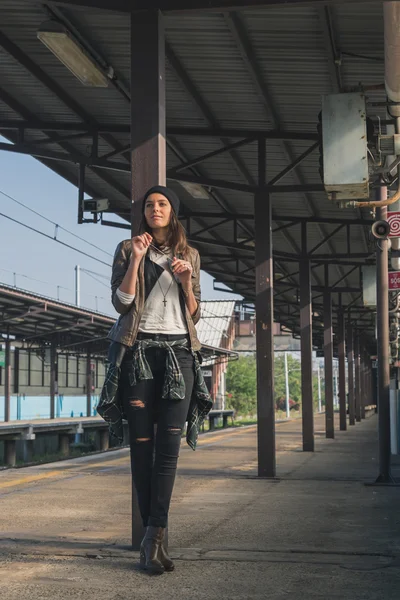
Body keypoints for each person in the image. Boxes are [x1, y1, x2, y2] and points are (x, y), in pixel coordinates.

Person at [97, 185, 212, 575]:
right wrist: (138, 260)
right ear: (143, 213)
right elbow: (121, 303)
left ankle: (153, 537)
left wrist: (185, 282)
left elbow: (194, 315)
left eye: (162, 204)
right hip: (140, 353)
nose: (155, 209)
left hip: (179, 355)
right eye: (149, 205)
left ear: (173, 211)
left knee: (168, 450)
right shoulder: (129, 249)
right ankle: (153, 541)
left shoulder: (190, 255)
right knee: (141, 450)